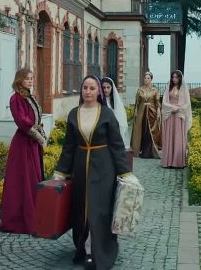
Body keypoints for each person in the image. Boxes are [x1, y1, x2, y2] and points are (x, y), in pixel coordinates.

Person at [53, 75, 134, 270]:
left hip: (104, 168)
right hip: (80, 168)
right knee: (82, 208)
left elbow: (116, 145)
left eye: (92, 88)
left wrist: (125, 172)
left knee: (99, 210)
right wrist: (61, 171)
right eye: (85, 88)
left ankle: (95, 252)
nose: (88, 91)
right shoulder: (74, 114)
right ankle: (84, 247)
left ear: (99, 92)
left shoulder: (107, 114)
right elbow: (69, 146)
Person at [0, 68, 47, 234]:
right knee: (24, 179)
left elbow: (36, 119)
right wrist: (39, 137)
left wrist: (41, 136)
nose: (30, 81)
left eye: (31, 78)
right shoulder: (15, 98)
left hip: (32, 144)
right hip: (23, 144)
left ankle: (35, 215)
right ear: (19, 80)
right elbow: (23, 122)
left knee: (34, 178)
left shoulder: (29, 96)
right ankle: (20, 219)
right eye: (27, 78)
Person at [161, 70, 192, 169]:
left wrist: (178, 108)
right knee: (169, 137)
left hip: (179, 115)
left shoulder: (184, 89)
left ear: (180, 78)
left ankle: (178, 162)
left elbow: (187, 103)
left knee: (178, 137)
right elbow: (164, 101)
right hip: (170, 115)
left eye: (176, 77)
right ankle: (168, 161)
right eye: (173, 77)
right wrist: (172, 108)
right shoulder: (169, 87)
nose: (174, 79)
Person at [130, 71, 161, 158]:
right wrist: (136, 113)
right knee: (142, 130)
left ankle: (152, 151)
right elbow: (137, 103)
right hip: (141, 113)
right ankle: (142, 150)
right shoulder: (140, 90)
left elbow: (157, 102)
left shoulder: (155, 90)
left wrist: (158, 111)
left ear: (151, 79)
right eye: (145, 78)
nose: (146, 79)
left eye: (148, 78)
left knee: (151, 131)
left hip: (152, 112)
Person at [101, 77, 130, 149]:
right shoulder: (99, 101)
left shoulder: (116, 102)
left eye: (108, 87)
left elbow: (120, 118)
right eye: (104, 88)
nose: (106, 90)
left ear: (112, 88)